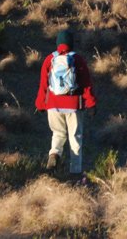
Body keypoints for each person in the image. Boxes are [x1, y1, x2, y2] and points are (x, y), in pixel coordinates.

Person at [35, 29, 97, 177]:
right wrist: (91, 104)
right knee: (75, 138)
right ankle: (75, 172)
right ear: (71, 43)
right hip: (73, 105)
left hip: (53, 105)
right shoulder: (78, 60)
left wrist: (40, 104)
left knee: (57, 133)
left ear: (58, 44)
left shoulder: (49, 60)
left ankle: (54, 155)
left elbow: (43, 85)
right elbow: (86, 85)